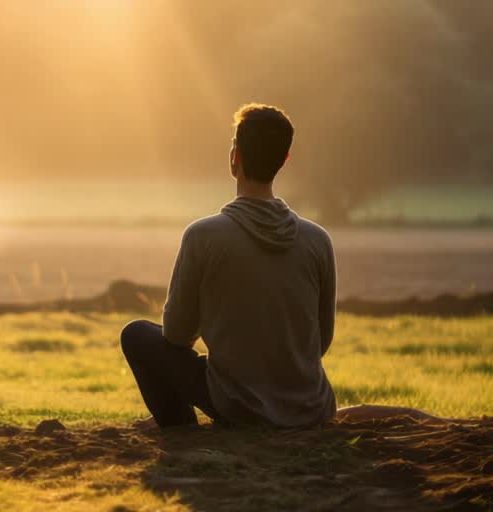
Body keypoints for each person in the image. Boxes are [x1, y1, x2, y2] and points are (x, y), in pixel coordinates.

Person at [121, 103, 337, 428]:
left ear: (234, 157)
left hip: (241, 407)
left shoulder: (203, 235)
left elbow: (177, 336)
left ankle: (179, 431)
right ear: (284, 160)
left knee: (137, 334)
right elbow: (321, 342)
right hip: (310, 408)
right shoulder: (318, 239)